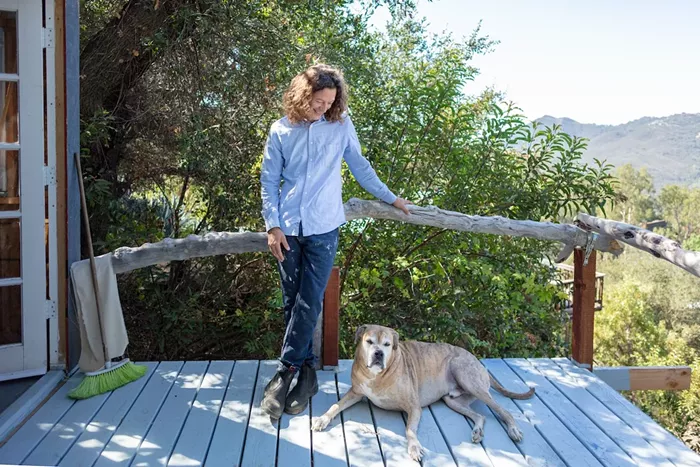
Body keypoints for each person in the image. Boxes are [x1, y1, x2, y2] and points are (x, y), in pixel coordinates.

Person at [259, 64, 411, 419]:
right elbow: (269, 181)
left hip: (325, 227)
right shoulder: (281, 130)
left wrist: (391, 198)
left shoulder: (340, 126)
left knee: (309, 301)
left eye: (329, 102)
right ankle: (307, 375)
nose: (323, 108)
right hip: (288, 230)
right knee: (291, 302)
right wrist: (273, 226)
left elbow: (360, 166)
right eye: (317, 101)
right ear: (302, 95)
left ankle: (284, 372)